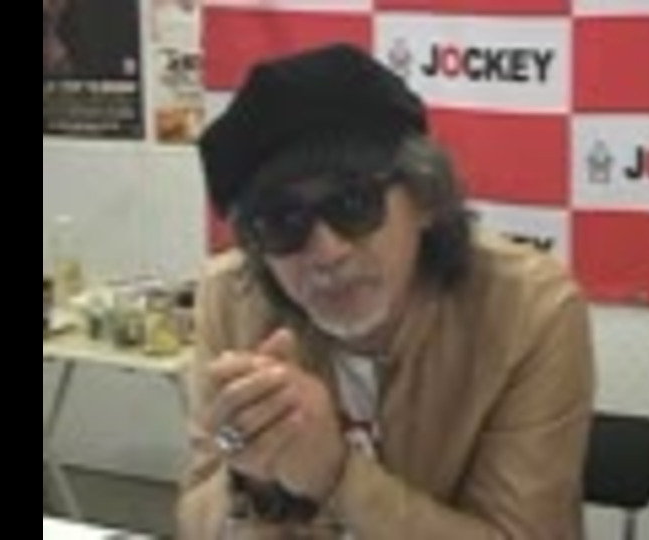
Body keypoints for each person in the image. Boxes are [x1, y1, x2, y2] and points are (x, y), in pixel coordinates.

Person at [178, 43, 595, 540]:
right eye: (282, 221)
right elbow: (194, 521)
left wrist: (335, 473)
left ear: (424, 197)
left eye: (354, 203)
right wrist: (252, 479)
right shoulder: (232, 299)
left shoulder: (529, 311)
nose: (327, 252)